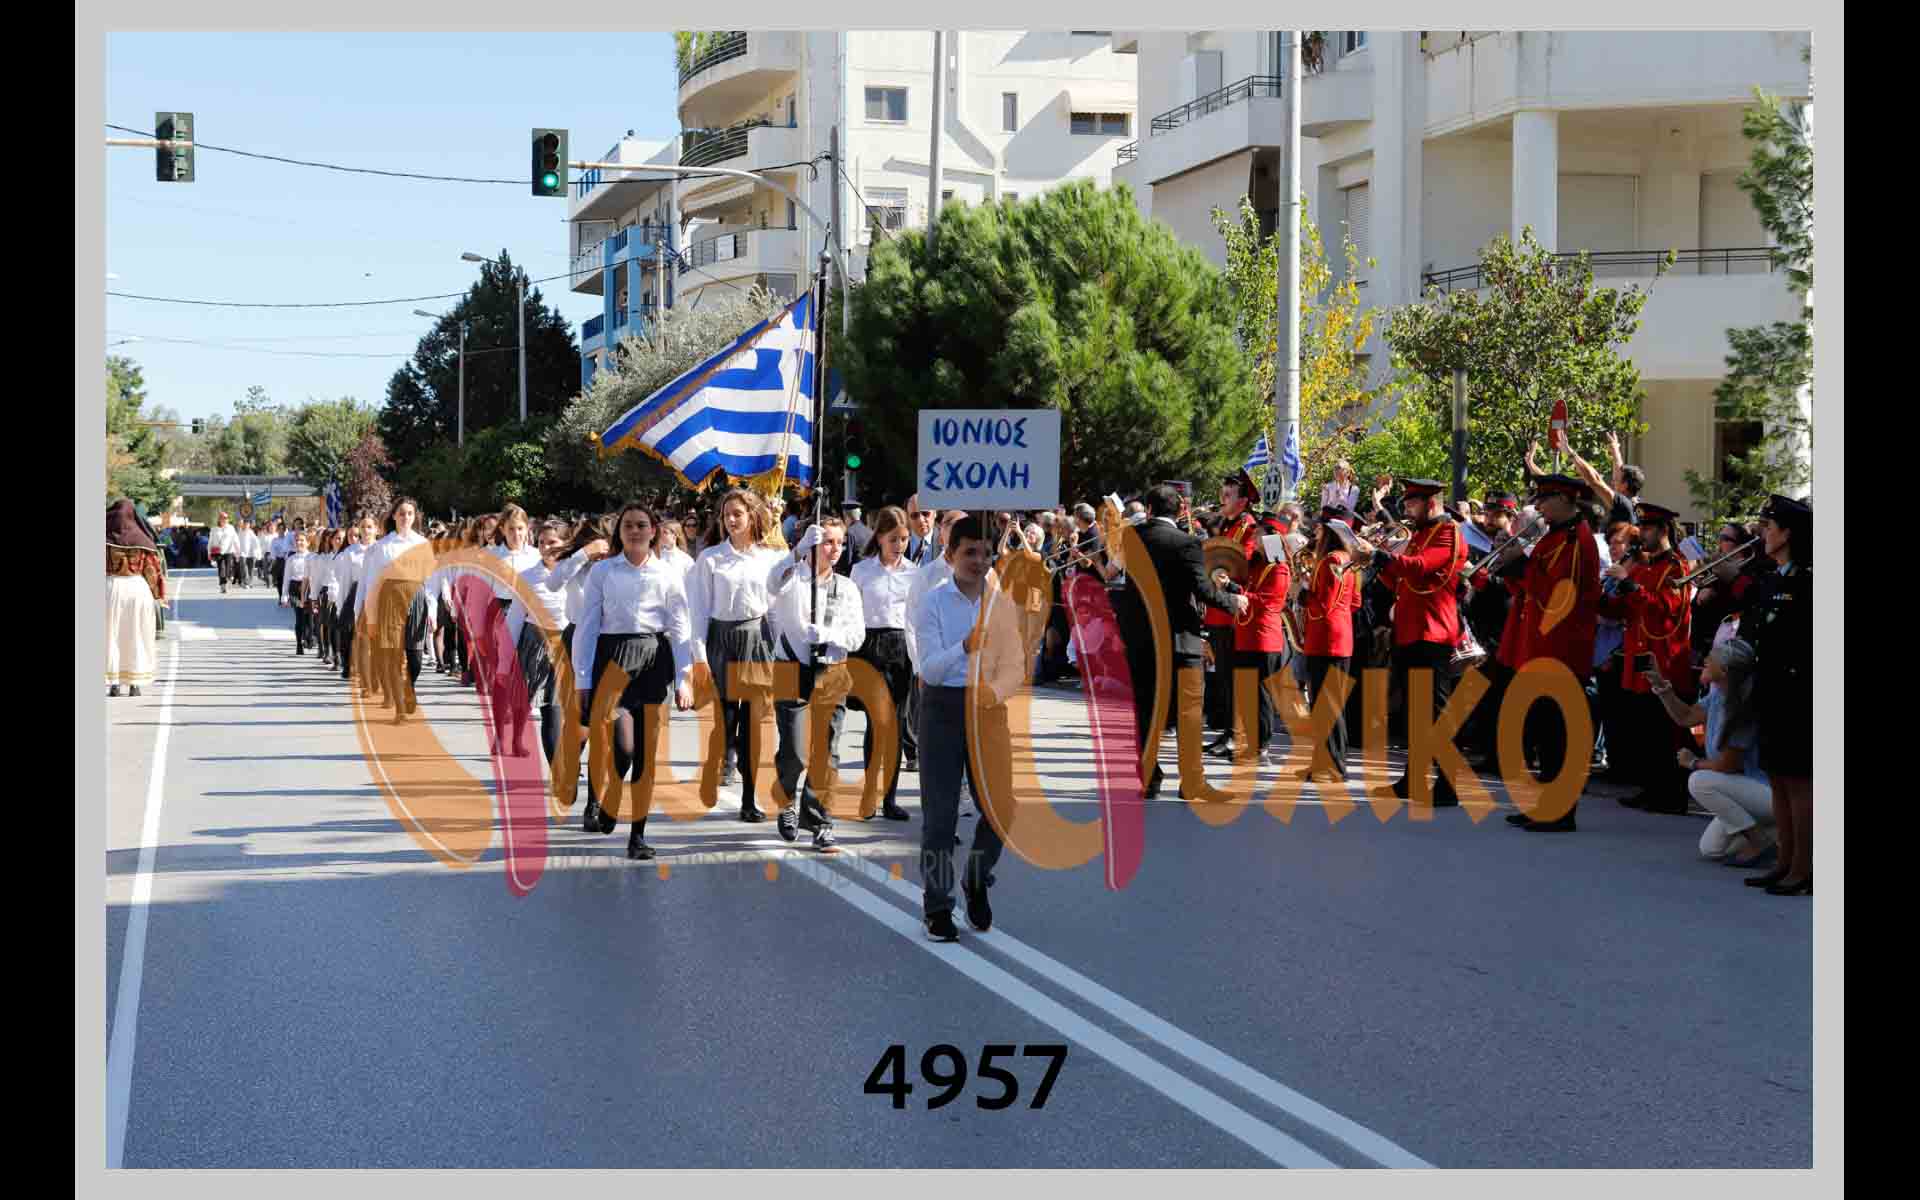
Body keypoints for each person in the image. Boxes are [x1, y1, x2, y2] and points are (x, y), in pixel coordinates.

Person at [912, 515, 1025, 942]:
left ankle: (976, 878)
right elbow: (930, 669)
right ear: (951, 554)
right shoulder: (933, 603)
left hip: (987, 709)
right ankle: (937, 906)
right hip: (942, 709)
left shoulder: (1002, 604)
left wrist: (996, 692)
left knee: (1001, 809)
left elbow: (1015, 666)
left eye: (985, 553)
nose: (978, 561)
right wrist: (965, 646)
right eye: (969, 552)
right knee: (940, 818)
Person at [573, 503, 697, 861]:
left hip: (655, 661)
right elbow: (587, 626)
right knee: (624, 747)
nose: (635, 531)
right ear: (620, 531)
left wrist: (684, 677)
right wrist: (582, 677)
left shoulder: (668, 573)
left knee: (646, 755)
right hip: (613, 660)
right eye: (628, 525)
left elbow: (680, 627)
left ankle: (637, 836)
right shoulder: (603, 572)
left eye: (642, 525)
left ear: (653, 531)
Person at [1114, 485, 1248, 800]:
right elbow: (1202, 589)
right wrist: (1232, 600)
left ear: (1149, 509)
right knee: (1188, 713)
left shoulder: (1130, 538)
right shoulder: (1186, 542)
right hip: (1179, 640)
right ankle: (1191, 782)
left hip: (1141, 638)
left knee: (1145, 710)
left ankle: (1148, 778)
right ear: (1180, 511)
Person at [1499, 475, 1602, 832]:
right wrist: (1514, 571)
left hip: (1561, 648)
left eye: (1544, 499)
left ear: (1565, 498)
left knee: (1558, 734)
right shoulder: (1555, 536)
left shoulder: (1576, 539)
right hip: (1540, 645)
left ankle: (1560, 811)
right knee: (1544, 732)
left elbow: (1562, 593)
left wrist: (1521, 566)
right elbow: (1532, 587)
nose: (1539, 506)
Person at [685, 489, 789, 823]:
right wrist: (699, 657)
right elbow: (698, 612)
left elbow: (775, 611)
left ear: (752, 516)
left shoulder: (769, 558)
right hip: (721, 641)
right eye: (726, 514)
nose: (731, 520)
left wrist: (780, 654)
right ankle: (718, 763)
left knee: (754, 727)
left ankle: (749, 798)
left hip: (757, 640)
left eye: (738, 514)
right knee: (725, 724)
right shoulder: (710, 559)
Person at [1367, 478, 1470, 808]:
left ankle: (1449, 785)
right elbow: (1399, 579)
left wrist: (1383, 557)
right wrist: (1377, 561)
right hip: (1410, 631)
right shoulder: (1420, 534)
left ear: (1432, 503)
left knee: (1436, 713)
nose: (1408, 509)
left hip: (1433, 631)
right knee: (1416, 714)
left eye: (1413, 503)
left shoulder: (1448, 532)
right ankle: (1413, 779)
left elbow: (1421, 567)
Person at [769, 517, 865, 850]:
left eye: (839, 542)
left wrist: (829, 635)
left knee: (826, 751)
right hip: (790, 668)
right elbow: (771, 582)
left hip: (832, 670)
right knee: (794, 750)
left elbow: (857, 635)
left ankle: (820, 820)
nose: (834, 549)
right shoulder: (792, 578)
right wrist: (797, 551)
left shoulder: (847, 587)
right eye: (827, 542)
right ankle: (785, 800)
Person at [1735, 494, 1813, 896]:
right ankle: (1784, 861)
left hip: (1798, 694)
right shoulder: (1772, 578)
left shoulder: (1808, 581)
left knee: (1799, 783)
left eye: (1769, 527)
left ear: (1788, 533)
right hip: (1770, 691)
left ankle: (1805, 869)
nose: (1763, 533)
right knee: (1778, 779)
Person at [1599, 501, 1695, 815]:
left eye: (1648, 528)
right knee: (1643, 726)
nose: (1642, 534)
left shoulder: (1677, 567)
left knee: (1665, 729)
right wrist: (1600, 599)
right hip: (1638, 655)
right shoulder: (1642, 566)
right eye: (1641, 528)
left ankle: (1671, 794)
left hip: (1664, 659)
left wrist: (1629, 583)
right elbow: (1625, 610)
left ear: (1664, 530)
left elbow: (1665, 608)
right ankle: (1651, 788)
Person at [1643, 638, 1773, 865]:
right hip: (1743, 792)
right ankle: (1778, 834)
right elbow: (1685, 717)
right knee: (1711, 849)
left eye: (1710, 658)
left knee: (1699, 781)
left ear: (1724, 670)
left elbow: (1728, 765)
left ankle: (1759, 840)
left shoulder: (1745, 704)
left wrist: (1693, 762)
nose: (1705, 660)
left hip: (1765, 793)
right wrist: (1661, 685)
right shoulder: (1719, 695)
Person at [547, 516, 618, 832]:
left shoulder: (620, 567)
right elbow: (553, 583)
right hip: (576, 641)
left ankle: (594, 804)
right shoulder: (574, 564)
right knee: (579, 722)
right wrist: (583, 554)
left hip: (611, 645)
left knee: (603, 729)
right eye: (596, 542)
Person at [851, 505, 917, 820]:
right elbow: (851, 614)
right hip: (870, 647)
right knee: (875, 722)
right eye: (893, 539)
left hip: (901, 649)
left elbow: (916, 618)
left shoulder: (914, 573)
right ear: (879, 537)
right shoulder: (862, 571)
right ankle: (868, 795)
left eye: (904, 539)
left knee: (897, 725)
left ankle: (889, 798)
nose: (899, 545)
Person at [355, 498, 433, 723]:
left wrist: (432, 610)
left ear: (414, 516)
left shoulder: (423, 543)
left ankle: (409, 688)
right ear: (394, 516)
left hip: (416, 599)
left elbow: (431, 579)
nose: (405, 517)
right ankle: (400, 709)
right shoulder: (383, 546)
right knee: (393, 656)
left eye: (409, 513)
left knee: (415, 658)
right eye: (401, 513)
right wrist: (369, 614)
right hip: (389, 601)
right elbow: (372, 582)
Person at [1298, 517, 1364, 782]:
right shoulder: (1349, 560)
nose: (1315, 533)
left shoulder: (1329, 561)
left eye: (1319, 529)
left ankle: (1332, 767)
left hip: (1325, 637)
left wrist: (1303, 591)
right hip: (1340, 635)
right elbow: (1355, 602)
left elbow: (1322, 605)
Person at [504, 518, 575, 763]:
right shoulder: (527, 576)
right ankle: (517, 738)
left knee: (558, 706)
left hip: (567, 642)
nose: (546, 547)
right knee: (530, 697)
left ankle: (563, 761)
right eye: (542, 542)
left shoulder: (577, 573)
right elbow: (515, 616)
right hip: (534, 641)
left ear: (566, 543)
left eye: (552, 542)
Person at [107, 499, 167, 698]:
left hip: (110, 588)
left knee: (111, 636)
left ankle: (114, 683)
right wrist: (158, 594)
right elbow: (152, 570)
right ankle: (135, 683)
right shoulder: (143, 540)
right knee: (138, 635)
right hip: (137, 589)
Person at [278, 529, 317, 654]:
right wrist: (284, 596)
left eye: (302, 540)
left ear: (308, 543)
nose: (299, 542)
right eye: (297, 540)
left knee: (310, 617)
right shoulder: (291, 559)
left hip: (309, 588)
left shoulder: (313, 557)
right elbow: (286, 578)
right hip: (295, 589)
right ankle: (299, 644)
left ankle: (309, 637)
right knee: (299, 617)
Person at [836, 503, 873, 576]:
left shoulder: (850, 532)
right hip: (869, 573)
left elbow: (847, 559)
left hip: (854, 574)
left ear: (846, 516)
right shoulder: (869, 531)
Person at [209, 513, 239, 593]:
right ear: (219, 519)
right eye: (222, 518)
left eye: (226, 518)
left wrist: (238, 551)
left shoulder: (231, 528)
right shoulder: (214, 529)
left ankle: (228, 578)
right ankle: (223, 586)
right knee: (221, 569)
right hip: (218, 552)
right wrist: (209, 553)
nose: (224, 520)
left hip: (229, 551)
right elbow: (210, 542)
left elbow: (235, 539)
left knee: (228, 569)